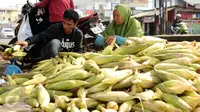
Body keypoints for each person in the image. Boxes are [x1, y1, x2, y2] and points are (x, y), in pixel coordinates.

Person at [15, 9, 83, 60]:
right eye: (64, 23)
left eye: (69, 24)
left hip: (65, 60)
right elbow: (41, 36)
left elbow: (78, 50)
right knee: (55, 42)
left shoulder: (78, 34)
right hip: (50, 57)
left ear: (75, 24)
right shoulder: (56, 27)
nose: (65, 26)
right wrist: (27, 41)